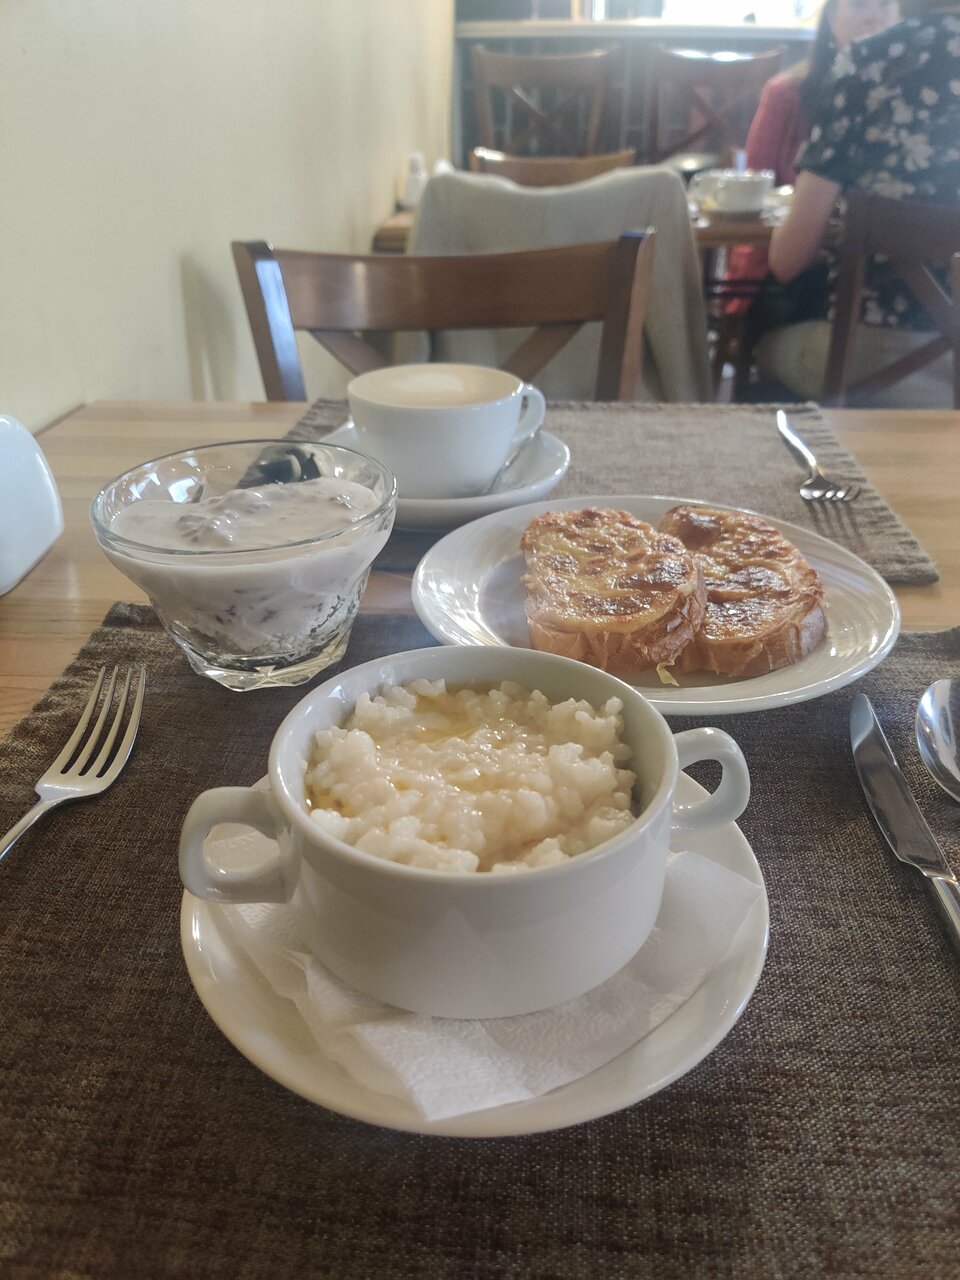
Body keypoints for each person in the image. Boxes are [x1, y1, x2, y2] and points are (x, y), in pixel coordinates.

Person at [758, 0, 960, 404]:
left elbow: (787, 259)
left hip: (873, 356)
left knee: (765, 345)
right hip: (943, 369)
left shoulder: (868, 60)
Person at [724, 0, 899, 318]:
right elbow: (756, 187)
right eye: (860, 5)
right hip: (796, 270)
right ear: (831, 18)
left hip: (888, 279)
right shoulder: (786, 93)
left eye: (886, 4)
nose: (874, 16)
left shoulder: (911, 102)